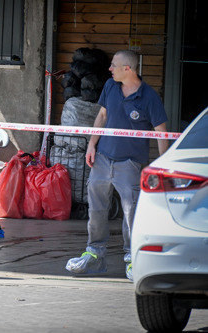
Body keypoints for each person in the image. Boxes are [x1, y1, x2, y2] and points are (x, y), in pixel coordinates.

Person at [65, 50, 169, 281]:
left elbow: (161, 132)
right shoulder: (111, 87)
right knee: (96, 209)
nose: (109, 69)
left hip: (130, 164)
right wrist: (92, 145)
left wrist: (163, 165)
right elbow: (102, 115)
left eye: (113, 65)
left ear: (127, 69)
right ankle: (94, 254)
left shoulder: (149, 97)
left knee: (131, 213)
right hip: (102, 158)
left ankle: (133, 259)